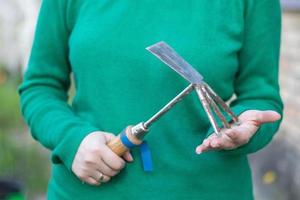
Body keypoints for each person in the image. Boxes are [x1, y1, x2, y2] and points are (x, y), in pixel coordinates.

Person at [18, 0, 283, 199]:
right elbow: (41, 87)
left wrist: (245, 126)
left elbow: (261, 95)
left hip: (207, 190)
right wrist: (72, 140)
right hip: (87, 191)